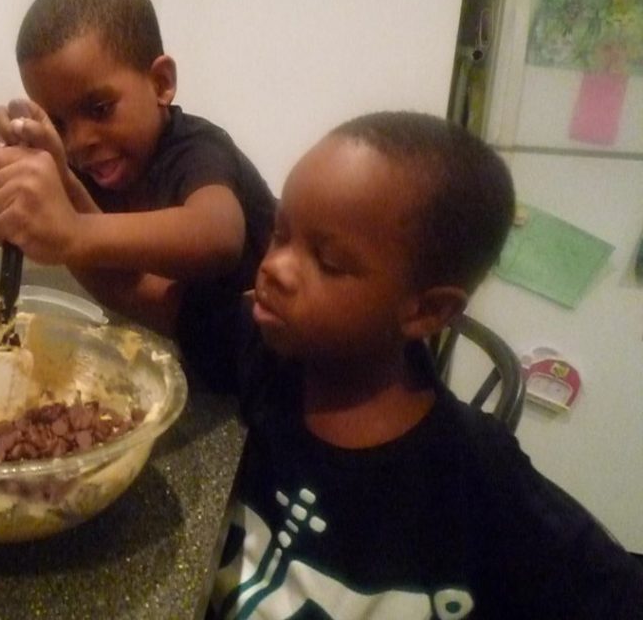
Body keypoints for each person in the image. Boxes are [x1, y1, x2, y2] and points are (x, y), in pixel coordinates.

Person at [202, 111, 643, 619]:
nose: (275, 267)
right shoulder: (264, 354)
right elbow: (167, 312)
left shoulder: (475, 476)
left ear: (428, 311)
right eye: (281, 235)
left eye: (328, 262)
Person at [0, 0, 276, 367]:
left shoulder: (196, 148)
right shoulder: (94, 165)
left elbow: (218, 236)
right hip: (199, 339)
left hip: (282, 356)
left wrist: (72, 232)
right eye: (59, 123)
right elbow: (122, 281)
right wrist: (58, 180)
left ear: (161, 83)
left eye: (100, 109)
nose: (79, 141)